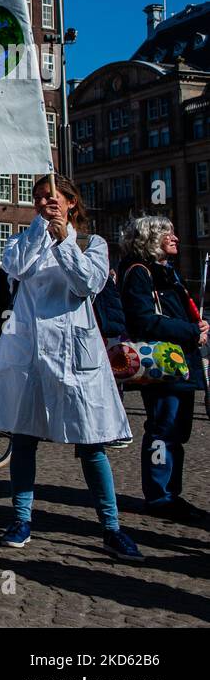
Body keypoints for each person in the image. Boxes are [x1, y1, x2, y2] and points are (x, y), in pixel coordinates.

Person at [0, 175, 143, 561]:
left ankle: (111, 527)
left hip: (76, 354)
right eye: (37, 199)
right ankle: (21, 519)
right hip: (31, 351)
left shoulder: (93, 244)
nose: (43, 203)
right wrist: (41, 231)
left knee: (91, 443)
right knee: (24, 438)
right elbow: (17, 268)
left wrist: (64, 240)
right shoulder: (24, 241)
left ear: (71, 202)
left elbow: (87, 283)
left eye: (51, 198)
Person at [119, 215, 209, 524]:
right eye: (167, 233)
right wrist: (188, 330)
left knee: (177, 430)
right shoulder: (140, 273)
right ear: (150, 239)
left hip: (180, 365)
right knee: (162, 428)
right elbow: (143, 320)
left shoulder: (167, 273)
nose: (175, 237)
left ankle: (171, 491)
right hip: (162, 367)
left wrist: (197, 326)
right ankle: (159, 495)